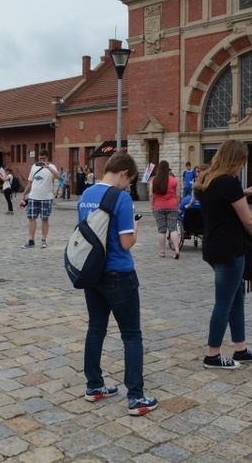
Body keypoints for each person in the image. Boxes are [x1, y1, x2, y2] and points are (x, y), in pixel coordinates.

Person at [77, 152, 158, 416]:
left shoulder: (86, 195)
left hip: (93, 273)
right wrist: (135, 229)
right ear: (124, 173)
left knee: (95, 330)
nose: (129, 187)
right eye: (130, 181)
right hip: (119, 274)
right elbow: (126, 243)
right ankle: (135, 398)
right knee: (132, 335)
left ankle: (94, 386)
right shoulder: (121, 198)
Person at [195, 139, 252, 369]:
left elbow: (218, 199)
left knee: (236, 300)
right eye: (242, 161)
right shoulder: (229, 182)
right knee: (225, 302)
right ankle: (212, 355)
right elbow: (248, 221)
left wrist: (242, 192)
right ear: (236, 159)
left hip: (213, 247)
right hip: (231, 249)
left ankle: (240, 349)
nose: (243, 166)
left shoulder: (206, 179)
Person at [21, 149, 60, 248]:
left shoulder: (52, 167)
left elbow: (58, 176)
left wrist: (48, 167)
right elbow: (30, 182)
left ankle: (44, 240)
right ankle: (31, 240)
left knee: (44, 219)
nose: (41, 160)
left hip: (46, 197)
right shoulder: (34, 166)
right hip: (33, 196)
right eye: (40, 158)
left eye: (43, 158)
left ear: (47, 158)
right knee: (31, 218)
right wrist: (24, 193)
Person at [149, 160, 181, 259]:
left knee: (161, 230)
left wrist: (152, 205)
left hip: (158, 206)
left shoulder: (154, 180)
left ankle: (162, 252)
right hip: (172, 206)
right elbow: (178, 195)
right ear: (168, 169)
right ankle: (176, 249)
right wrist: (177, 205)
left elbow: (151, 195)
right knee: (173, 228)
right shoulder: (174, 180)